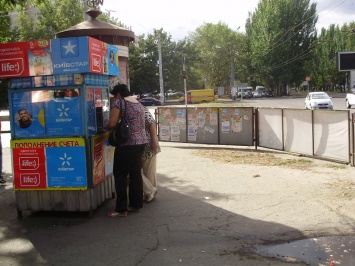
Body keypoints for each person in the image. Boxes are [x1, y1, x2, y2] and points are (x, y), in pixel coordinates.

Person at [107, 84, 147, 217]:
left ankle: (121, 209)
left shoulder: (119, 102)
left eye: (114, 96)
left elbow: (112, 124)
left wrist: (106, 125)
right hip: (140, 142)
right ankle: (136, 204)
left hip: (126, 143)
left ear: (118, 94)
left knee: (120, 174)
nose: (114, 98)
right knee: (135, 173)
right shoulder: (138, 103)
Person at [142, 107, 160, 202]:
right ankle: (150, 192)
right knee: (148, 170)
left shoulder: (139, 107)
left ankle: (150, 192)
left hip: (148, 144)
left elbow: (152, 122)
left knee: (148, 170)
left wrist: (154, 140)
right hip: (145, 144)